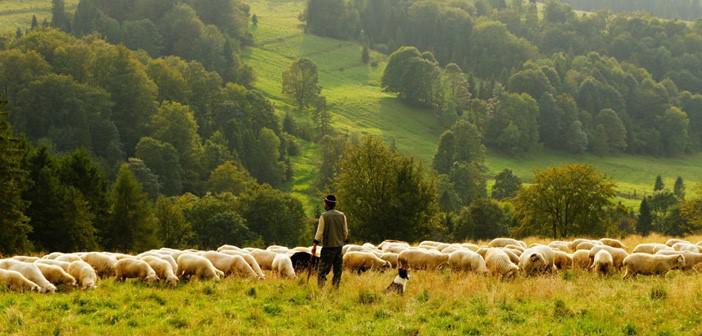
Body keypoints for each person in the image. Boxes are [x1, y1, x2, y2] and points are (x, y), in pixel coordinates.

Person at [312, 195, 348, 288]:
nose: (324, 204)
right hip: (339, 248)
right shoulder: (342, 215)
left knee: (322, 271)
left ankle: (321, 290)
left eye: (324, 203)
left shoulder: (324, 216)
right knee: (337, 271)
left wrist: (315, 244)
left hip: (328, 248)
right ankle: (335, 289)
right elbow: (345, 232)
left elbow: (319, 232)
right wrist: (341, 239)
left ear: (327, 204)